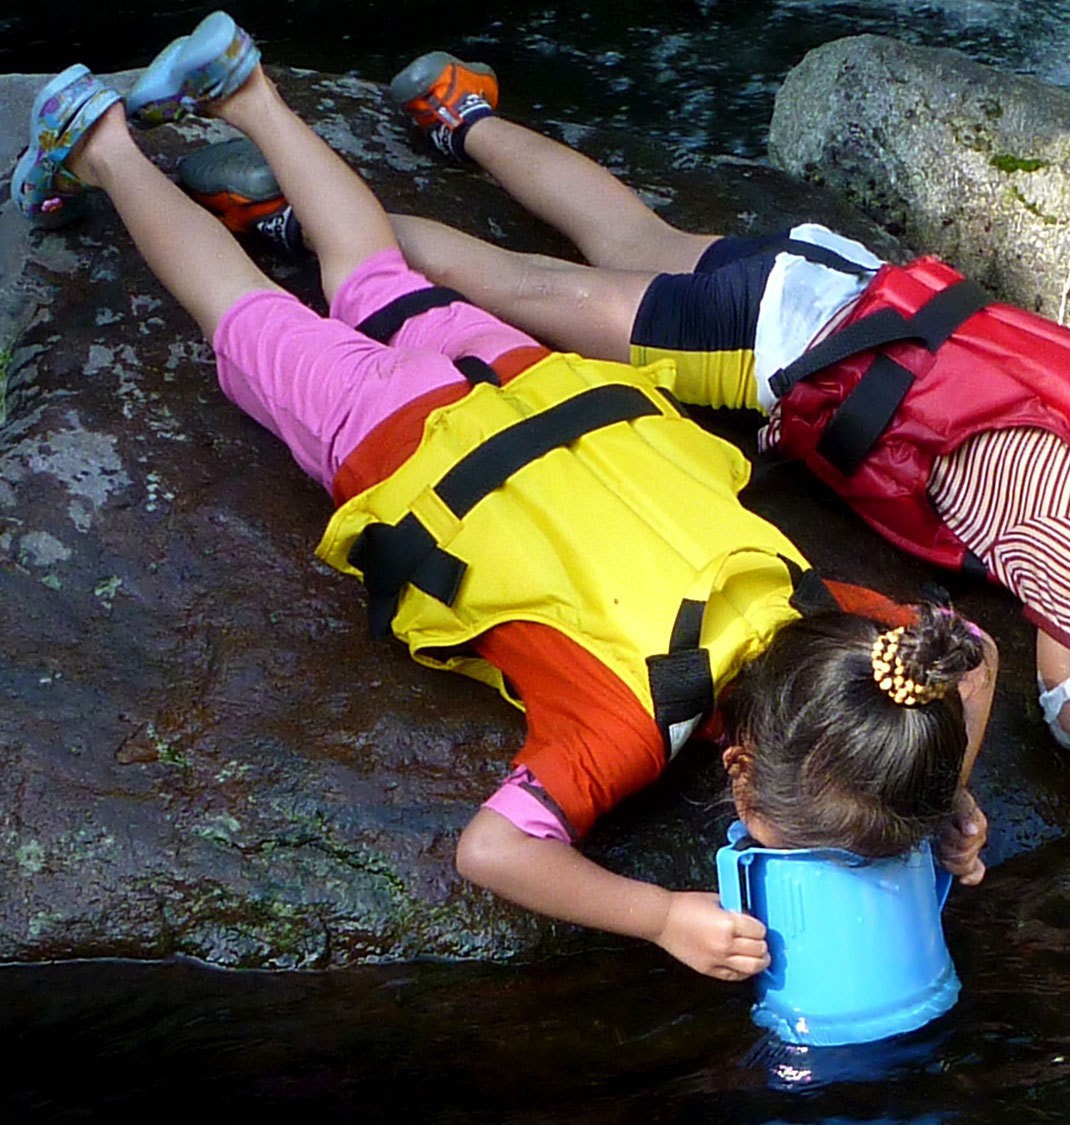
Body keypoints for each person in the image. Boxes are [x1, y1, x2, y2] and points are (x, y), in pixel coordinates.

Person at [9, 11, 996, 981]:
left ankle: (248, 90)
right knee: (242, 307)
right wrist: (655, 916)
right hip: (392, 435)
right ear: (737, 776)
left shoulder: (841, 631)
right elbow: (491, 853)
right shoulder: (621, 723)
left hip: (534, 385)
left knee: (371, 274)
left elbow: (975, 654)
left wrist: (937, 790)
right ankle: (102, 143)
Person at [192, 48, 1070, 757]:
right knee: (528, 287)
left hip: (837, 283)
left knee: (637, 227)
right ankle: (298, 218)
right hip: (764, 350)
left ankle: (459, 114)